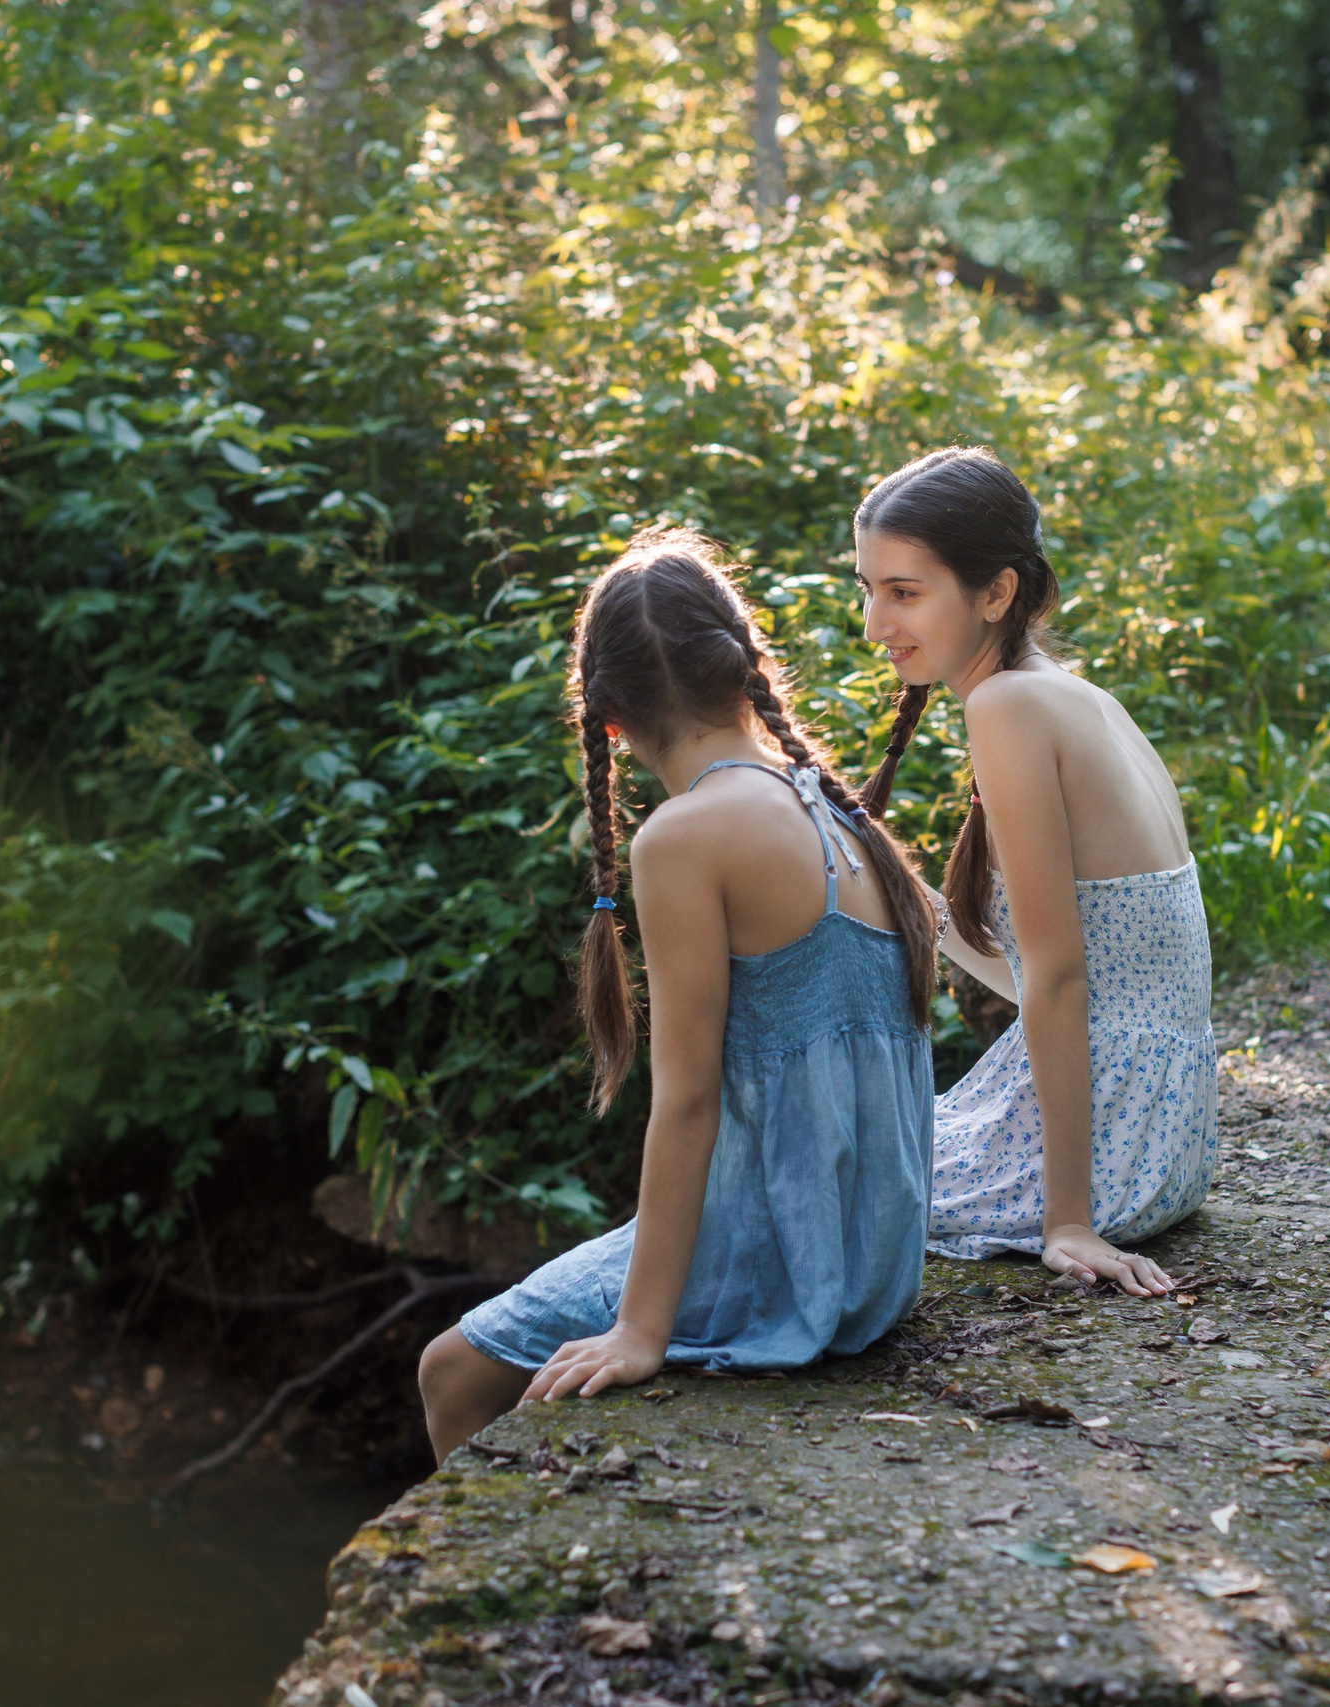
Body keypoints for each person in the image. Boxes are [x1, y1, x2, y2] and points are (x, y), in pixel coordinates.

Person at [416, 530, 939, 1464]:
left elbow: (689, 1101)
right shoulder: (831, 804)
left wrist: (639, 1332)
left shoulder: (684, 838)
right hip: (873, 1256)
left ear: (607, 716)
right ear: (746, 671)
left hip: (789, 1261)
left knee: (449, 1370)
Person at [852, 446, 1214, 1296]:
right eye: (866, 587)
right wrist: (909, 896)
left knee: (782, 1181)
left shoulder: (1008, 706)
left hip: (1108, 1149)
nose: (873, 623)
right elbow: (1075, 976)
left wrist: (1069, 1222)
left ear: (996, 591)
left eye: (903, 592)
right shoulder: (1072, 695)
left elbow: (1059, 978)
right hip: (1164, 1134)